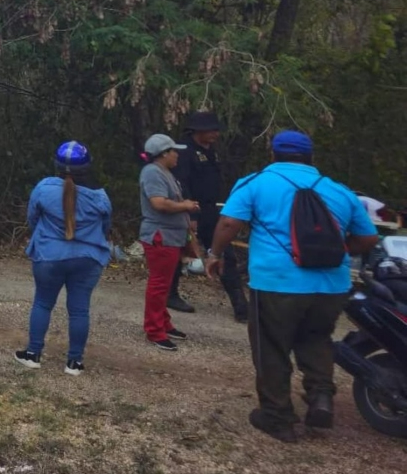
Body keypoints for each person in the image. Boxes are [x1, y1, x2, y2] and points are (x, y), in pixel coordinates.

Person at [209, 130, 378, 443]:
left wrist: (215, 254)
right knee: (316, 340)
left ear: (272, 154)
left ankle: (277, 417)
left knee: (271, 347)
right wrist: (339, 251)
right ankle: (321, 397)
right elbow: (368, 238)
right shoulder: (338, 190)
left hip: (277, 283)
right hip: (331, 285)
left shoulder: (255, 183)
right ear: (311, 157)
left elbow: (229, 223)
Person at [14, 142, 112, 376]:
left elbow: (32, 218)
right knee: (79, 310)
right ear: (87, 167)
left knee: (43, 303)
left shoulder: (44, 188)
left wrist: (47, 237)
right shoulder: (100, 197)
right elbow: (105, 228)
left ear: (56, 165)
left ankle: (33, 354)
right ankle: (74, 362)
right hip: (88, 258)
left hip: (49, 255)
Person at [172, 111, 245, 320]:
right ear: (197, 131)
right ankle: (170, 294)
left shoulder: (212, 151)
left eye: (216, 130)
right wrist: (189, 213)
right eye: (210, 130)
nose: (215, 134)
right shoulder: (184, 151)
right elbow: (181, 183)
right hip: (191, 209)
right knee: (180, 252)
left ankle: (240, 306)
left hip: (212, 209)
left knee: (224, 254)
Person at [139, 133, 199, 351]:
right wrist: (186, 207)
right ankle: (154, 330)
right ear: (163, 153)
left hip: (172, 236)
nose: (177, 155)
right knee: (159, 284)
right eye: (174, 151)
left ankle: (163, 323)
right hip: (160, 235)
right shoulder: (153, 172)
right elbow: (159, 203)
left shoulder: (165, 172)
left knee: (163, 284)